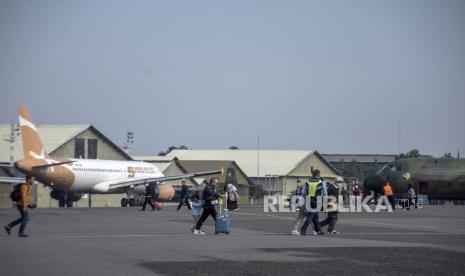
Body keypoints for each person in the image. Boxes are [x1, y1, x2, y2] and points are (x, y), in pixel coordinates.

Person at [300, 169, 327, 236]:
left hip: (309, 200)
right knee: (311, 216)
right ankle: (303, 229)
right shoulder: (321, 182)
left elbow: (302, 192)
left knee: (316, 216)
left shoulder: (308, 181)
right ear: (318, 174)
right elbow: (325, 192)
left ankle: (319, 230)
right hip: (317, 200)